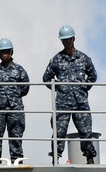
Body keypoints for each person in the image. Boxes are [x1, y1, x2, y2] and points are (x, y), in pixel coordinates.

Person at [42, 25, 98, 163]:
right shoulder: (57, 59)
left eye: (68, 39)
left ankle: (89, 158)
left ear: (74, 38)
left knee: (85, 131)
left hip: (80, 101)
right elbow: (46, 78)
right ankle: (56, 158)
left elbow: (93, 75)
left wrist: (84, 88)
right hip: (62, 102)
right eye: (64, 40)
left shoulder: (84, 58)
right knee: (59, 132)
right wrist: (59, 88)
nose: (66, 42)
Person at [0, 38, 30, 164]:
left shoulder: (20, 70)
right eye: (1, 52)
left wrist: (14, 98)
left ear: (11, 52)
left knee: (16, 137)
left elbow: (25, 88)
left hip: (15, 109)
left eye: (6, 51)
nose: (3, 54)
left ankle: (17, 162)